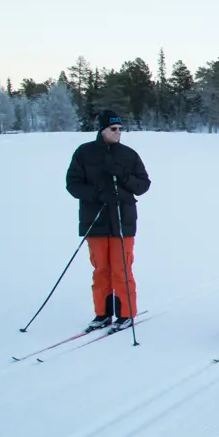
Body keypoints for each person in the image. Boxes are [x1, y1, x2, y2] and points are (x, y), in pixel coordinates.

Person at [65, 109, 151, 332]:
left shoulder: (128, 155)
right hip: (96, 221)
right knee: (100, 270)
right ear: (102, 130)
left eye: (120, 129)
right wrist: (97, 194)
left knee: (122, 268)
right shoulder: (84, 153)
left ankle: (125, 314)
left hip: (123, 221)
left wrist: (122, 176)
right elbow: (72, 184)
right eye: (113, 129)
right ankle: (102, 314)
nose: (118, 132)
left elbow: (143, 185)